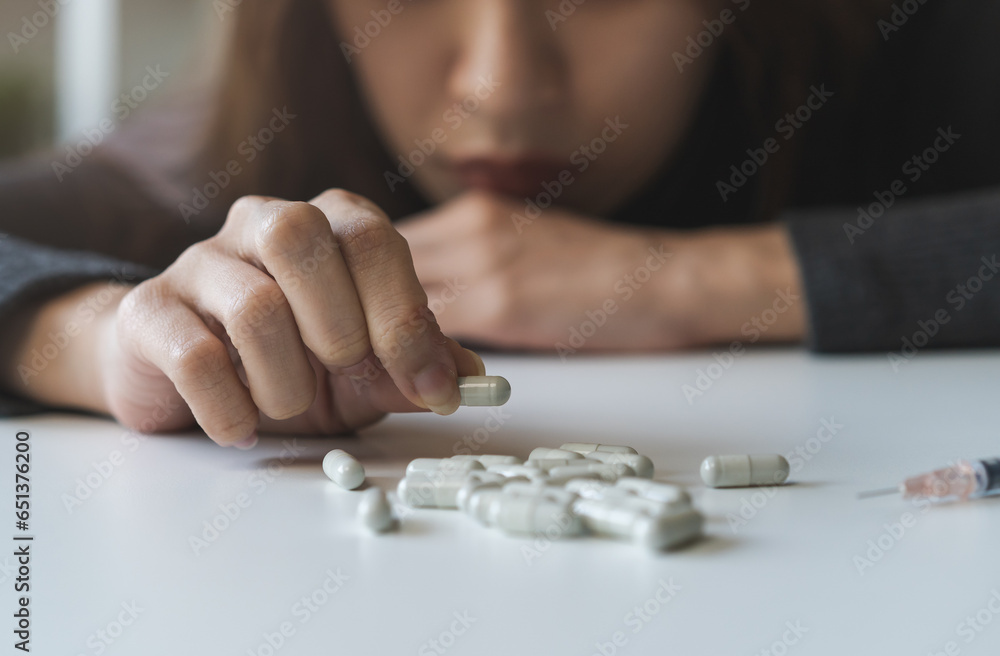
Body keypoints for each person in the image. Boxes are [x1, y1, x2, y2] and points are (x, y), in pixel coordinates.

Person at [1, 0, 998, 446]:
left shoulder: (914, 41)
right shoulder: (236, 131)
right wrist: (91, 336)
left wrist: (691, 279)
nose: (502, 87)